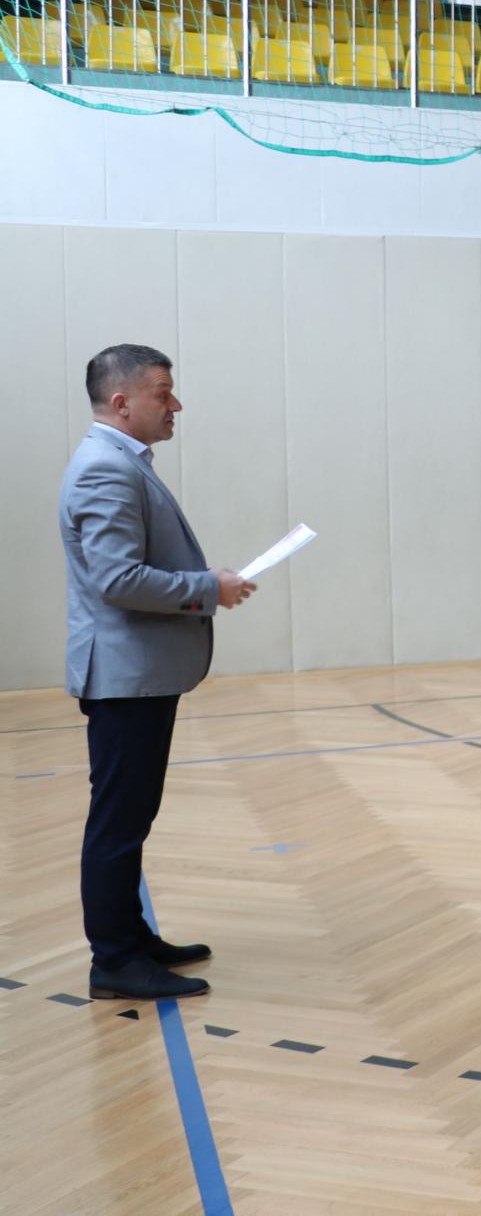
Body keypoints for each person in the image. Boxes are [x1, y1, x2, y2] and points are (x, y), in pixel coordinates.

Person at [61, 344, 256, 1002]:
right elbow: (117, 579)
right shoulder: (105, 469)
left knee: (131, 818)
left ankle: (131, 938)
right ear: (122, 403)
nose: (176, 405)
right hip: (125, 676)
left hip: (136, 674)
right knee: (118, 824)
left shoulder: (119, 462)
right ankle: (114, 960)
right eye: (162, 393)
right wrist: (209, 588)